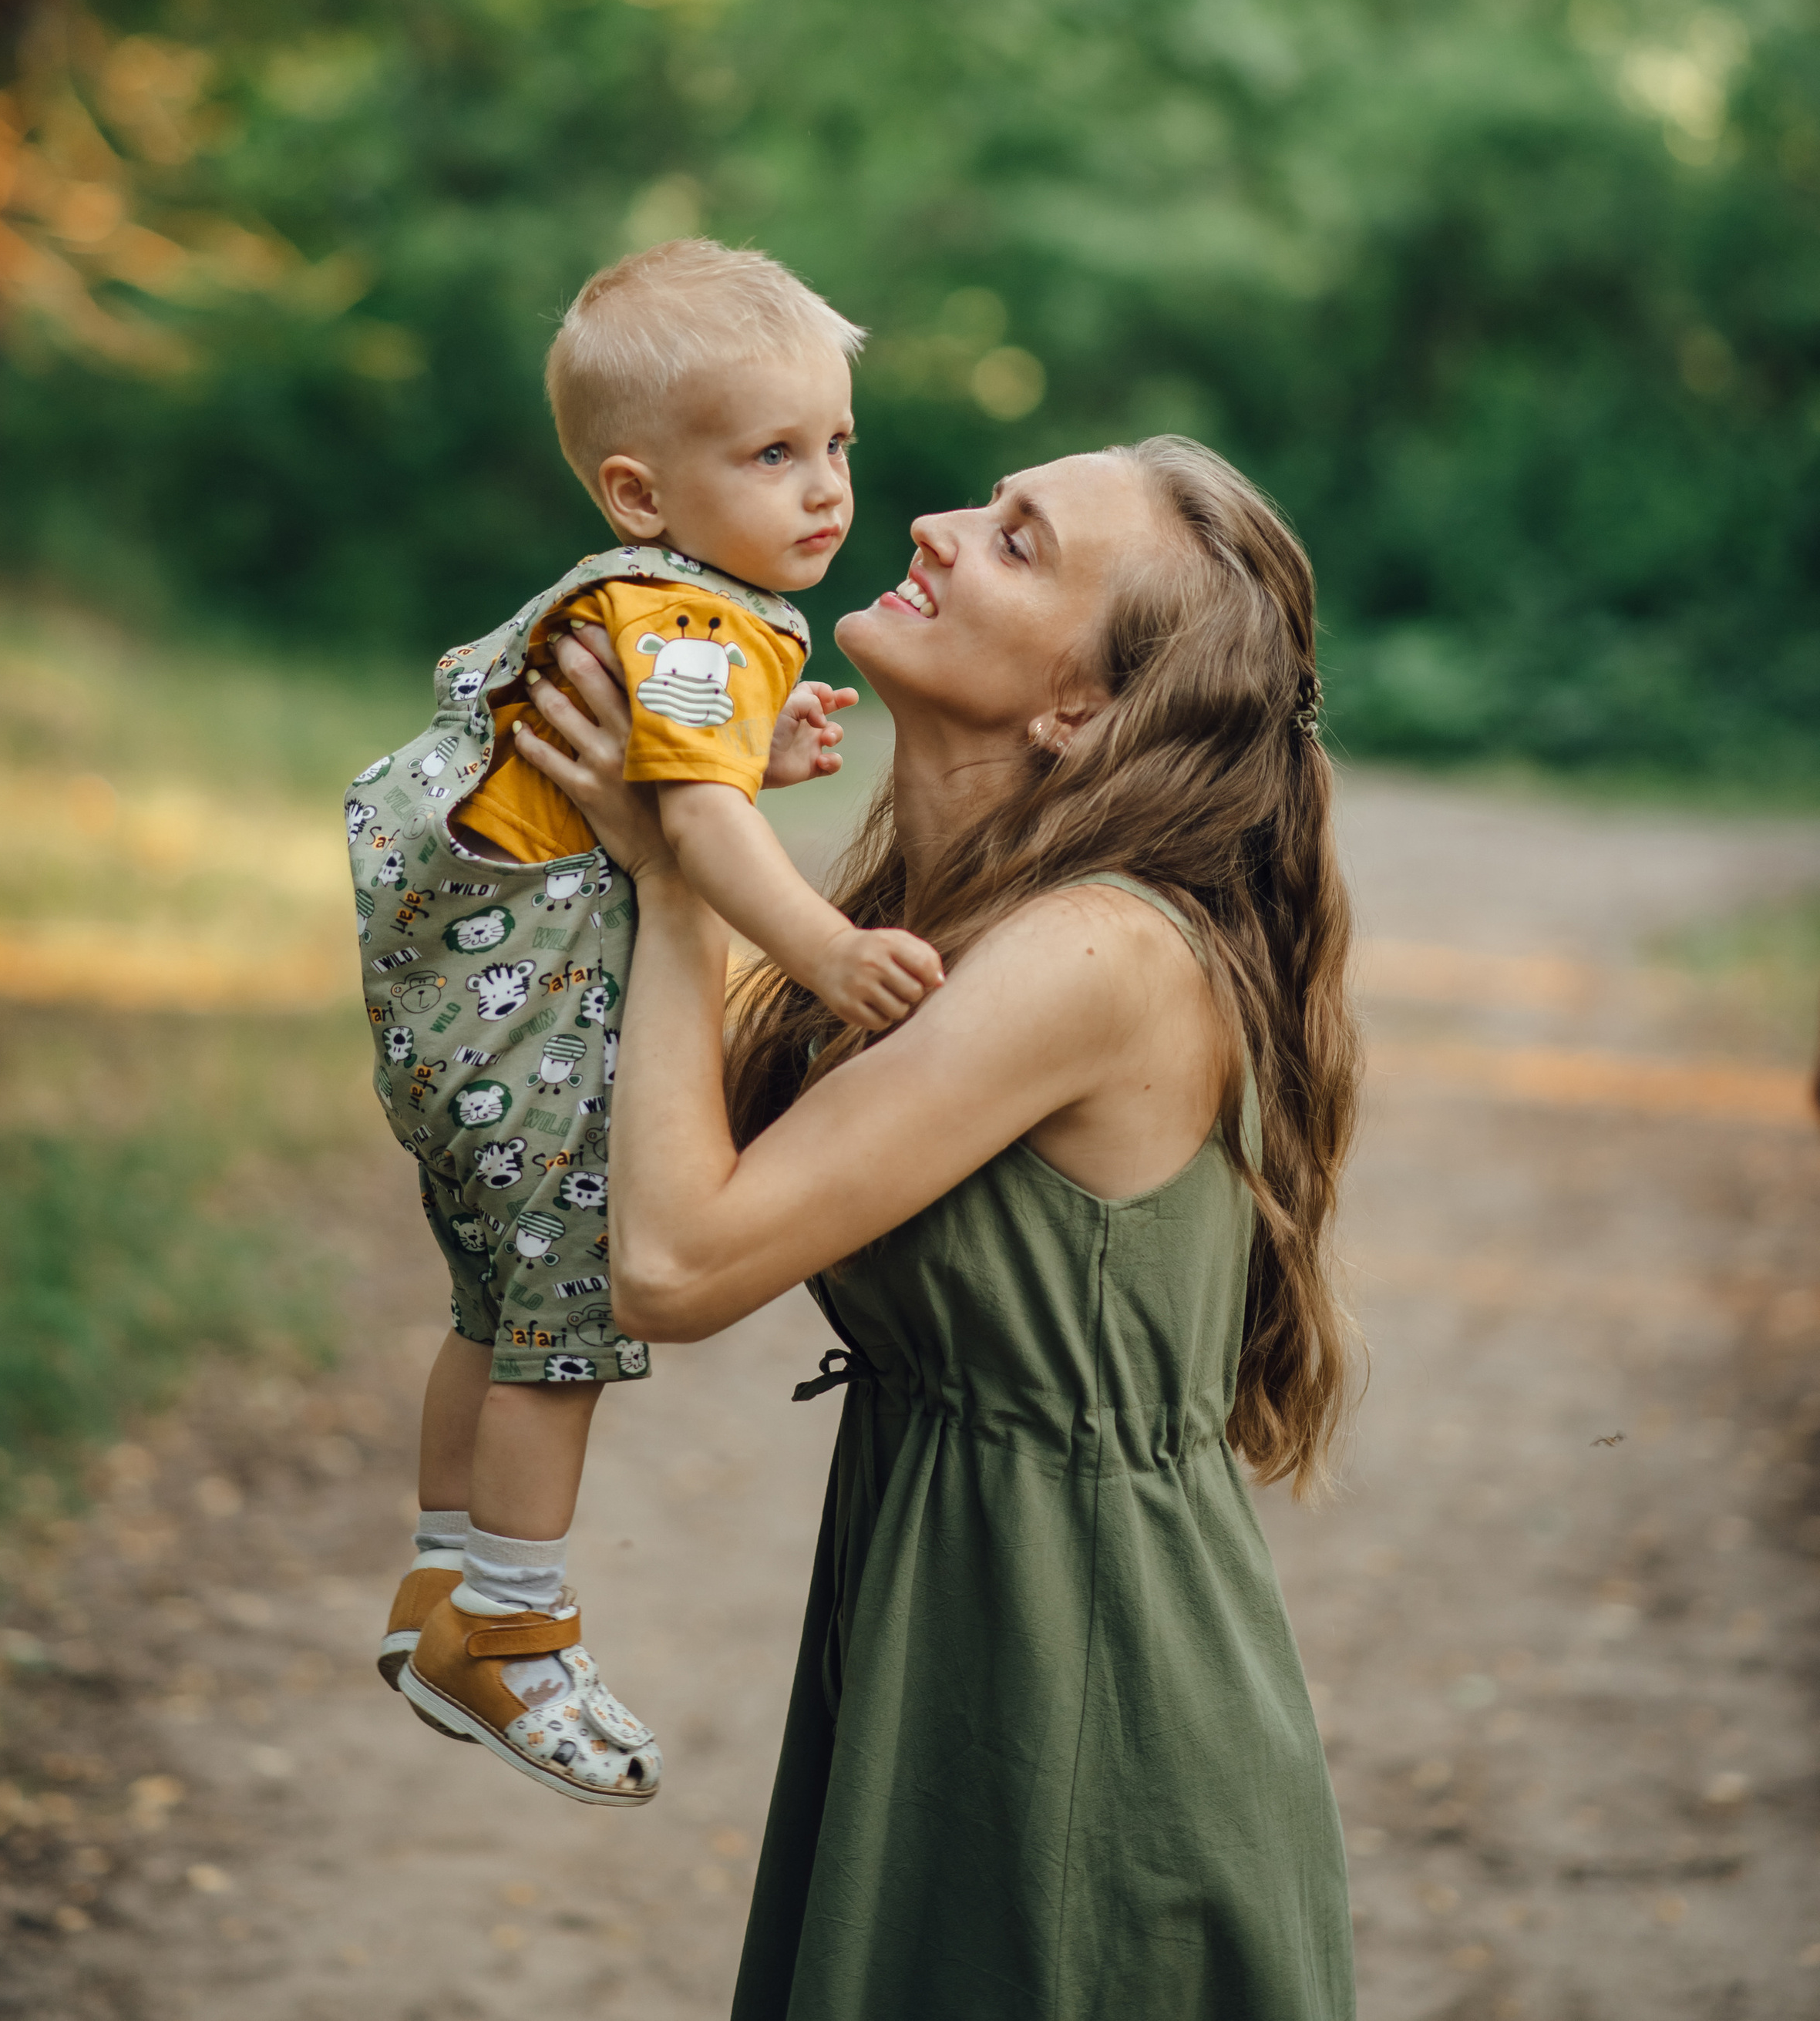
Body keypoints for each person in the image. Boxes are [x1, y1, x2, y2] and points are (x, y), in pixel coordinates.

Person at [512, 434, 1361, 2013]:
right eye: (991, 504)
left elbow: (675, 1263)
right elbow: (643, 1156)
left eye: (1021, 544)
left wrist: (677, 866)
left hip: (1082, 1709)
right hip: (960, 1647)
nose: (937, 525)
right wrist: (690, 832)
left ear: (1081, 709)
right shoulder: (941, 912)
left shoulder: (1091, 956)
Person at [350, 239, 943, 1804]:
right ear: (637, 493)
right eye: (770, 454)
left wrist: (752, 763)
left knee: (492, 1304)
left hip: (457, 1027)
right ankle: (514, 1630)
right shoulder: (694, 625)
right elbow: (692, 826)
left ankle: (437, 1587)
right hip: (528, 1021)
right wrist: (819, 948)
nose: (824, 488)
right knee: (560, 1325)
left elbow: (684, 791)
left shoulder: (657, 609)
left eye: (835, 447)